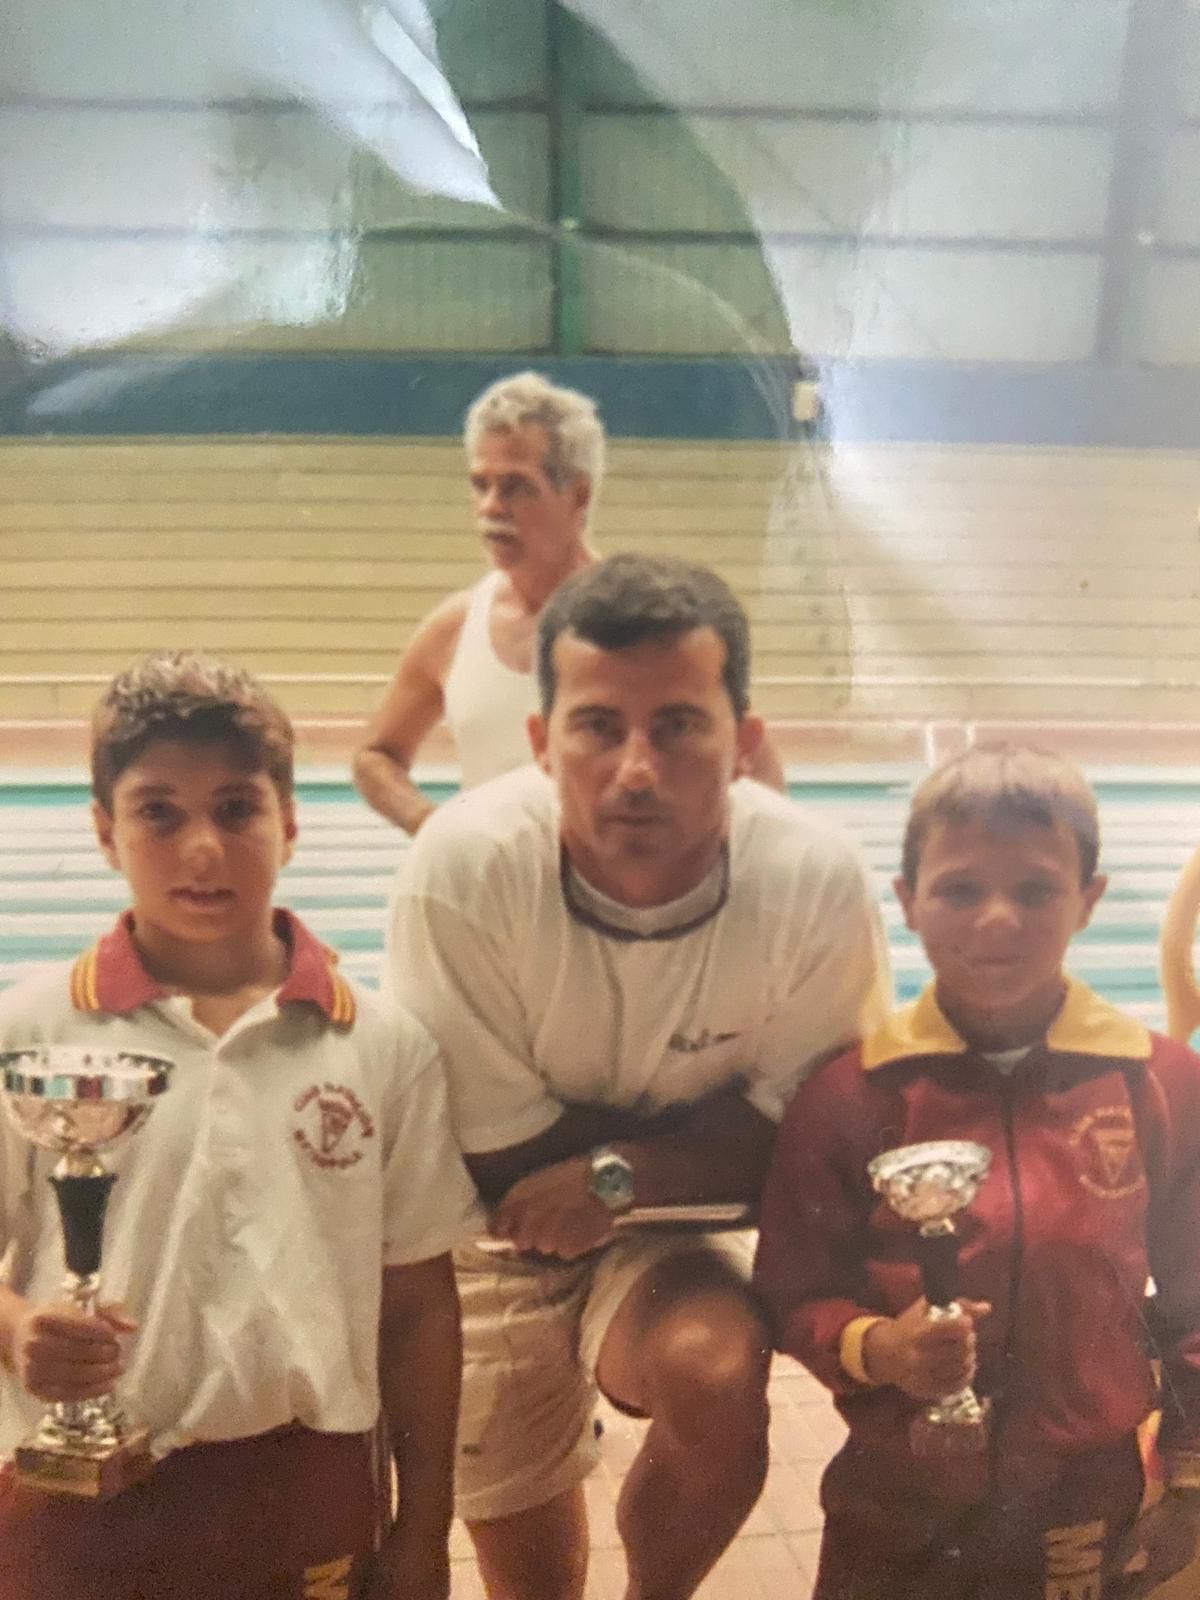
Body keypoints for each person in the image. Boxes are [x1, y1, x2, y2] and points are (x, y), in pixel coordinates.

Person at [385, 553, 891, 1600]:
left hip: (655, 1212)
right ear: (540, 742)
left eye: (678, 725)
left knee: (714, 1372)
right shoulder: (466, 865)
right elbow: (504, 1165)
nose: (635, 768)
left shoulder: (811, 881)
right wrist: (695, 1141)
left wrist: (618, 1176)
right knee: (530, 1583)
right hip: (487, 1228)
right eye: (599, 725)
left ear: (743, 742)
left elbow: (805, 1141)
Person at [0, 651, 481, 1600]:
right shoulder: (33, 1032)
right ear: (105, 832)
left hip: (302, 1497)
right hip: (71, 1508)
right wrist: (19, 1330)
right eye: (158, 813)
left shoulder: (379, 1045)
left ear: (289, 823)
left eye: (235, 808)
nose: (202, 849)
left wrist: (426, 1527)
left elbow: (421, 1306)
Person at [752, 743, 1200, 1600]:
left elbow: (1196, 1296)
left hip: (1075, 1499)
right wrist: (879, 1347)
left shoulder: (1162, 1085)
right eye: (960, 889)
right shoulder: (851, 1093)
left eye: (1035, 889)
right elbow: (792, 1289)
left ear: (1088, 901)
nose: (998, 917)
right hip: (893, 1499)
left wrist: (1190, 1479)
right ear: (908, 904)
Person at [353, 371, 784, 832]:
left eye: (516, 487)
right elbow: (375, 756)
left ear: (578, 495)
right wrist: (433, 828)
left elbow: (757, 769)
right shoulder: (455, 629)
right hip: (499, 896)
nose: (491, 508)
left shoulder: (647, 626)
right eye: (481, 485)